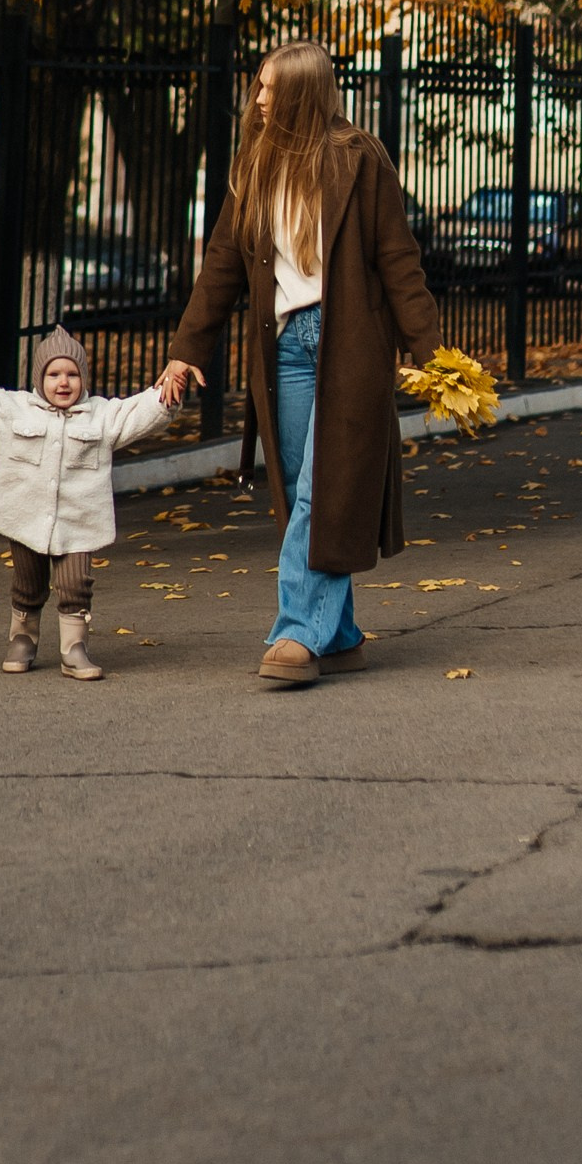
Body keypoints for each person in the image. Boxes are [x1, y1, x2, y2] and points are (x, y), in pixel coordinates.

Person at [168, 40, 438, 687]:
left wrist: (435, 360)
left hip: (350, 344)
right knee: (301, 494)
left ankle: (296, 634)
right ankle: (340, 636)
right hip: (285, 347)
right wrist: (186, 351)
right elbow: (222, 267)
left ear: (300, 92)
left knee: (326, 488)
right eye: (257, 87)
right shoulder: (254, 163)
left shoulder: (359, 157)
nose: (257, 98)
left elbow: (399, 261)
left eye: (268, 88)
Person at [0, 327, 191, 678]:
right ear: (39, 378)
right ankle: (22, 638)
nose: (63, 383)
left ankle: (74, 648)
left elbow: (137, 411)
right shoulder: (14, 409)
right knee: (28, 583)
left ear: (84, 378)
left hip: (78, 521)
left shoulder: (102, 416)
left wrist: (168, 397)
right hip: (24, 517)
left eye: (72, 374)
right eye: (53, 374)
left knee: (76, 583)